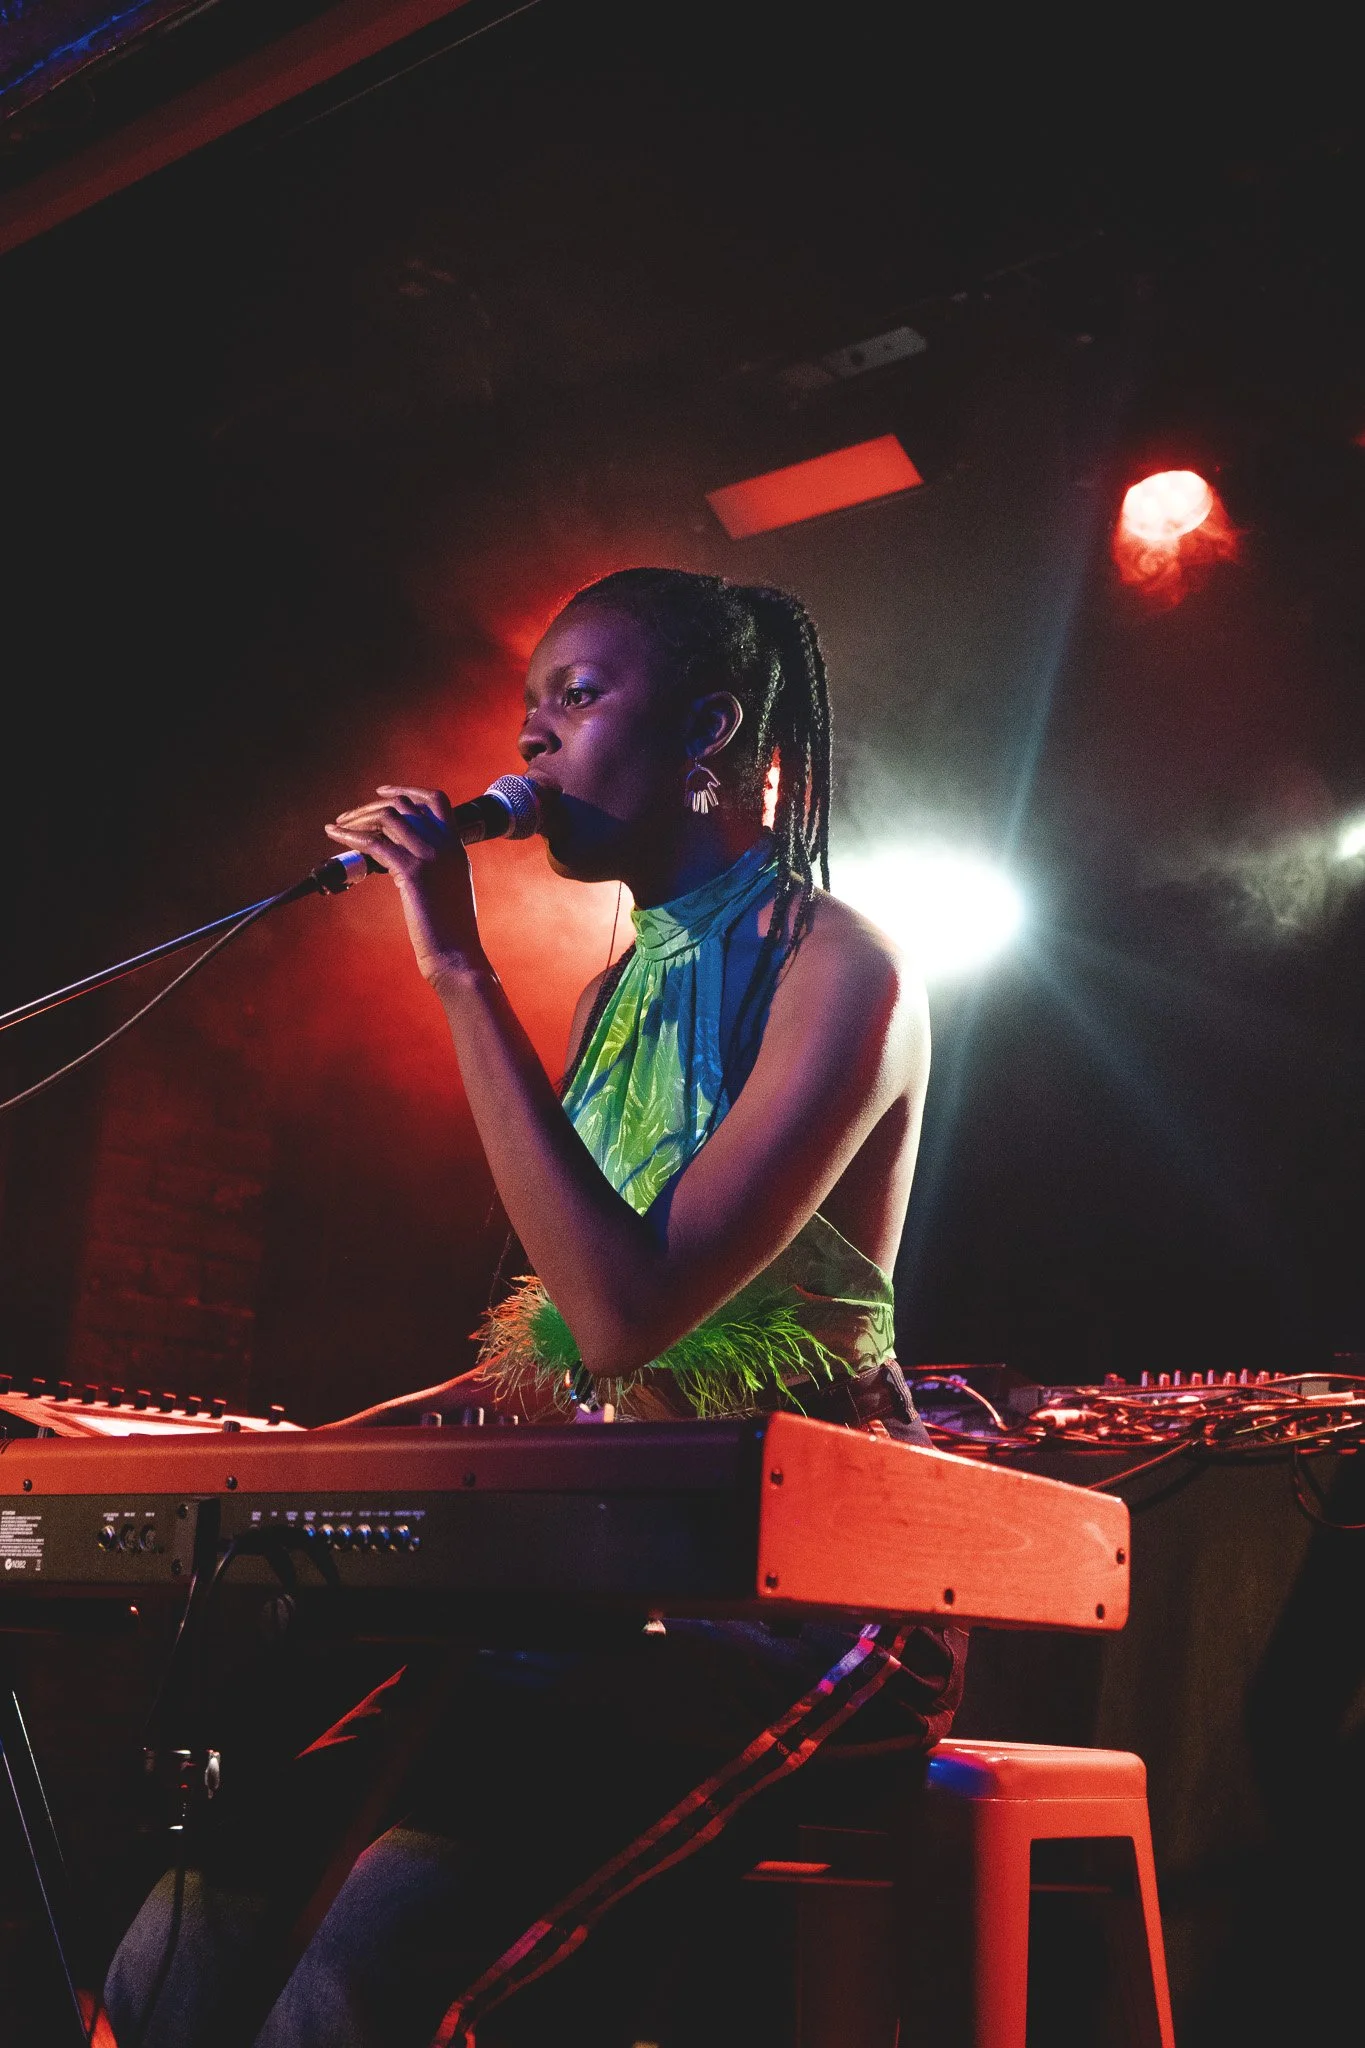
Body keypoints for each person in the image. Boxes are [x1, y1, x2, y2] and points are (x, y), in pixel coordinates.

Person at [104, 569, 964, 2048]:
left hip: (807, 1608)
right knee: (187, 1933)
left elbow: (628, 1317)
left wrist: (452, 961)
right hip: (608, 1588)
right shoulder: (613, 995)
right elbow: (567, 1364)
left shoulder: (844, 971)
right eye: (529, 709)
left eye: (576, 696)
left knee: (361, 1976)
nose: (532, 740)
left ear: (709, 729)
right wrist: (255, 1461)